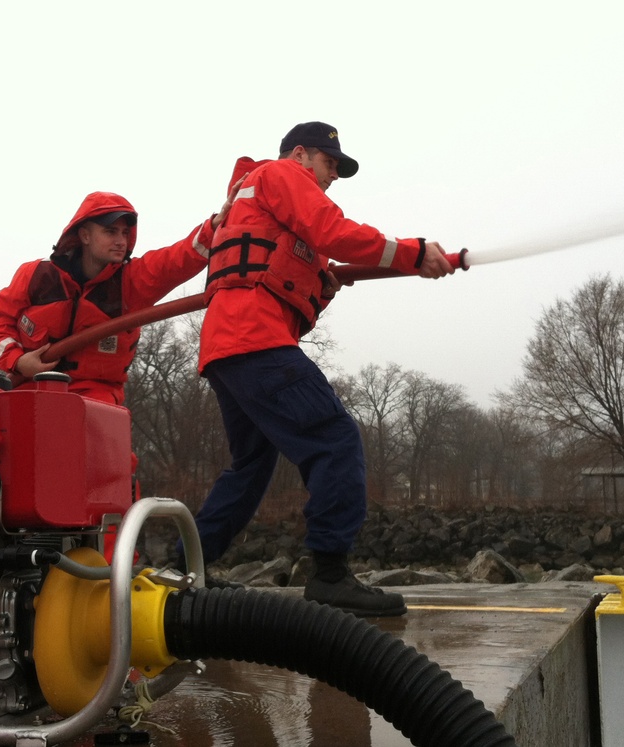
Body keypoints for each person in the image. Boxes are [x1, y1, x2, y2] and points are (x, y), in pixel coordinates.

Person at [188, 121, 457, 616]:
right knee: (334, 438)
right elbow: (334, 231)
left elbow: (289, 285)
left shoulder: (261, 206)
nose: (334, 175)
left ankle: (185, 574)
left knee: (251, 466)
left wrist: (320, 284)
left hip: (230, 345)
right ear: (301, 155)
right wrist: (416, 252)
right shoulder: (281, 175)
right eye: (330, 163)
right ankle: (331, 573)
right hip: (254, 339)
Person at [0, 189, 237, 404]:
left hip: (96, 397)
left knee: (100, 454)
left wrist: (214, 228)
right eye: (110, 232)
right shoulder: (35, 275)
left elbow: (177, 259)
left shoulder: (131, 282)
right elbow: (0, 318)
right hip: (28, 389)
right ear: (84, 235)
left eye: (125, 234)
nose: (120, 241)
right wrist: (17, 362)